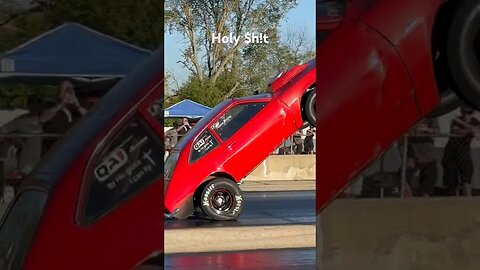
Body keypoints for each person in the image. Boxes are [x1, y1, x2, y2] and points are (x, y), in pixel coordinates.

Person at [40, 80, 88, 152]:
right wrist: (60, 105)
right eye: (65, 90)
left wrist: (78, 107)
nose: (69, 93)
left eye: (71, 90)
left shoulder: (79, 107)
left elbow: (91, 119)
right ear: (59, 93)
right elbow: (42, 119)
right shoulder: (50, 105)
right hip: (53, 148)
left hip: (75, 148)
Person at [442, 106, 480, 196]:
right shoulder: (456, 120)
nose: (466, 115)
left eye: (468, 113)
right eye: (464, 113)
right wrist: (471, 130)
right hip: (451, 155)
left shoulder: (475, 121)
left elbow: (478, 134)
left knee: (466, 180)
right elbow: (457, 132)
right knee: (452, 183)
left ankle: (468, 203)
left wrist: (471, 129)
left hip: (465, 155)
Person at [408, 118, 440, 196]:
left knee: (428, 180)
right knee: (408, 177)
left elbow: (437, 131)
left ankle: (425, 197)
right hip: (413, 153)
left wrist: (426, 129)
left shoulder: (431, 117)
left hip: (428, 155)